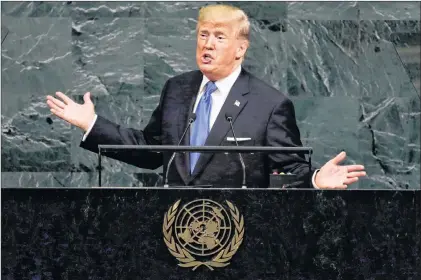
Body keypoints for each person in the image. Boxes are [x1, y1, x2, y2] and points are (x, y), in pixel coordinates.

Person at [46, 4, 366, 189]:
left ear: (240, 49)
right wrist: (93, 124)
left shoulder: (270, 104)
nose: (207, 44)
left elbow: (290, 169)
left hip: (237, 237)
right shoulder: (177, 88)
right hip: (170, 232)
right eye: (203, 35)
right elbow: (153, 150)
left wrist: (313, 179)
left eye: (219, 37)